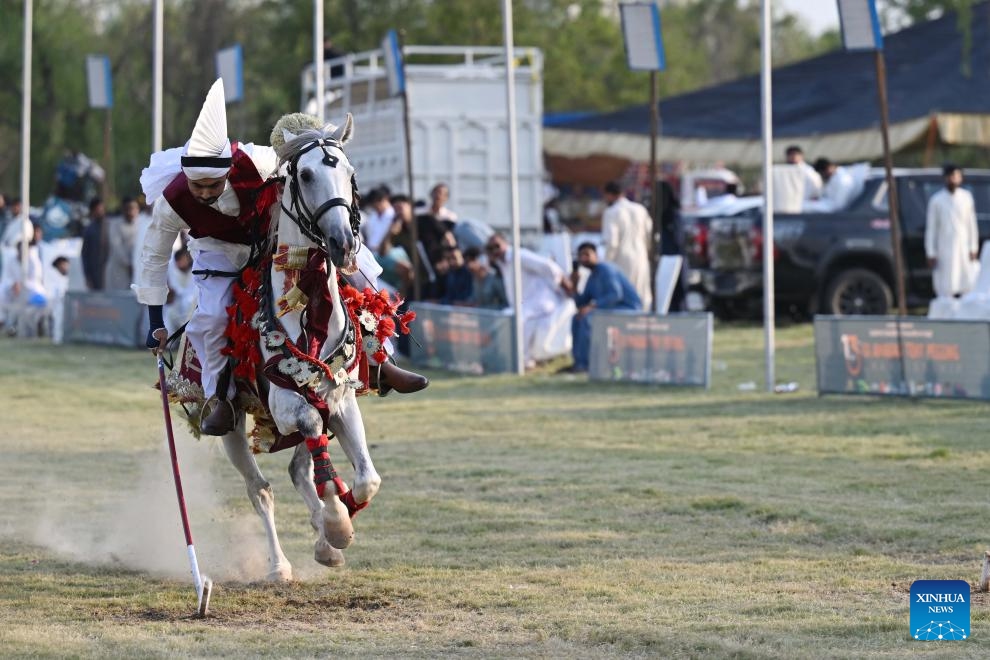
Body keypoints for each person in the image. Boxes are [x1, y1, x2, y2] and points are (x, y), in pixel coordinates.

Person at [485, 232, 572, 368]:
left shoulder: (518, 255)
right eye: (490, 248)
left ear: (505, 243)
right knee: (510, 318)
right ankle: (516, 359)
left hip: (541, 300)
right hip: (527, 303)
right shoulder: (501, 262)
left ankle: (523, 361)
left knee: (518, 320)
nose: (494, 251)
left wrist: (563, 285)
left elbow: (547, 266)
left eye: (497, 246)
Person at [566, 243, 642, 374]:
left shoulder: (606, 269)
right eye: (581, 256)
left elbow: (615, 295)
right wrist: (574, 286)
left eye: (587, 254)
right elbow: (581, 303)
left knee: (587, 319)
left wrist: (591, 307)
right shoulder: (592, 276)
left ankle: (585, 364)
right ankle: (578, 362)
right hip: (609, 310)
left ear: (596, 255)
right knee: (576, 318)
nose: (583, 258)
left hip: (627, 308)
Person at [925, 164, 979, 298]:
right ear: (945, 178)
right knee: (946, 283)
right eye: (951, 176)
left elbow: (971, 224)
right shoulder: (936, 200)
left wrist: (973, 247)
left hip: (964, 247)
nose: (953, 179)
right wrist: (931, 252)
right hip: (945, 248)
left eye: (956, 176)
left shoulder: (966, 198)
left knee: (967, 281)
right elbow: (931, 228)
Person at [601, 182, 653, 311]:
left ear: (609, 195)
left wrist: (606, 264)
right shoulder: (640, 209)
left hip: (621, 258)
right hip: (641, 256)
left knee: (624, 296)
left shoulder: (611, 212)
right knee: (642, 294)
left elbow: (612, 242)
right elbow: (649, 235)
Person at [103, 197, 139, 290]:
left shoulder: (141, 223)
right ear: (123, 209)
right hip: (118, 271)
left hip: (136, 269)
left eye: (133, 208)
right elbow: (117, 247)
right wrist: (130, 264)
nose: (131, 212)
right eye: (128, 209)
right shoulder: (115, 224)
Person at [80, 197, 108, 290]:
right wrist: (87, 276)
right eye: (97, 209)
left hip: (110, 271)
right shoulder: (89, 230)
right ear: (92, 211)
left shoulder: (110, 226)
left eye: (101, 209)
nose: (100, 211)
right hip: (95, 272)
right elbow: (85, 255)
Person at [359, 187, 396, 254]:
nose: (376, 205)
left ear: (386, 199)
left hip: (389, 251)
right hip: (372, 252)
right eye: (373, 202)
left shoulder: (394, 215)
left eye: (378, 201)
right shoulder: (372, 217)